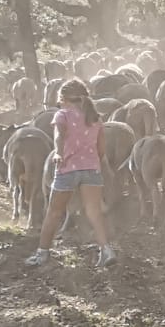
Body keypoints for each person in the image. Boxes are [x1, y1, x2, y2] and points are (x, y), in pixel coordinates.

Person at [27, 78, 116, 267]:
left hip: (67, 168)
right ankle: (107, 250)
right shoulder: (95, 118)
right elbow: (101, 150)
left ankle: (42, 254)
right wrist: (92, 161)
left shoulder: (62, 115)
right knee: (95, 212)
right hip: (91, 169)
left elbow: (59, 135)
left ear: (64, 98)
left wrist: (59, 153)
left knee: (54, 212)